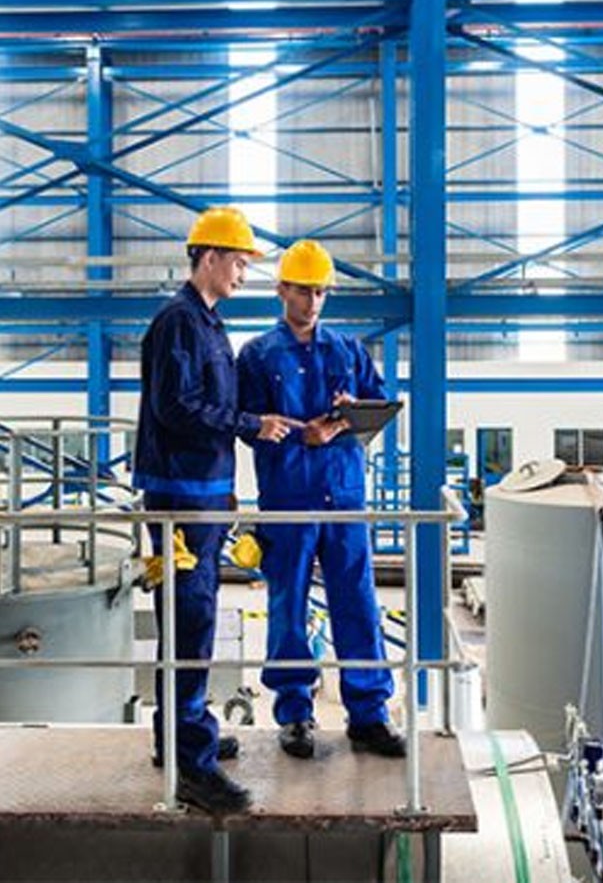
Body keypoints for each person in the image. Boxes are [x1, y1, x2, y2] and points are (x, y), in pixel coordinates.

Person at [134, 206, 298, 814]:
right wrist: (251, 424)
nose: (242, 274)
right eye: (237, 261)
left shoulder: (205, 323)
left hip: (199, 491)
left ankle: (175, 740)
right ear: (207, 256)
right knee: (190, 620)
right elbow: (179, 409)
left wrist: (229, 480)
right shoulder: (181, 322)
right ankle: (192, 770)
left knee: (187, 618)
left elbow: (199, 410)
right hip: (180, 494)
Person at [237, 238, 405, 761]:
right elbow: (244, 424)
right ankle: (294, 714)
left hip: (344, 495)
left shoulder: (347, 349)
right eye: (305, 290)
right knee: (287, 604)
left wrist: (352, 410)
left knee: (357, 602)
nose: (313, 301)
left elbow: (378, 404)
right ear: (282, 289)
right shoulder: (258, 356)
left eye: (322, 292)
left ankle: (369, 715)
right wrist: (297, 435)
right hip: (288, 497)